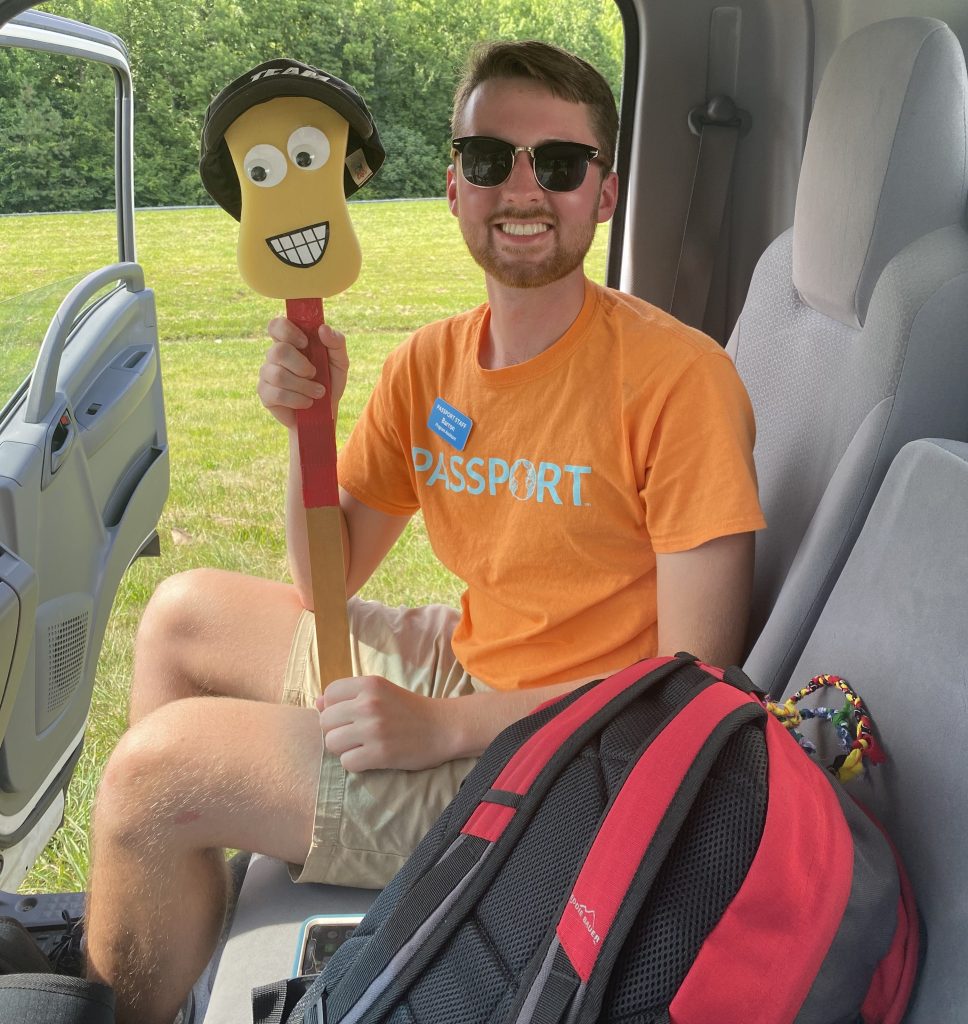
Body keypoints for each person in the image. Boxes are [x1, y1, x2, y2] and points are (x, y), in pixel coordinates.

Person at [84, 40, 765, 1024]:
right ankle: (180, 940)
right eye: (489, 159)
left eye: (559, 163)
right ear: (454, 187)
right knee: (182, 616)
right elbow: (325, 580)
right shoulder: (428, 365)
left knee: (152, 776)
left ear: (603, 194)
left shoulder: (679, 381)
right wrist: (308, 428)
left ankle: (154, 918)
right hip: (475, 666)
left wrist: (445, 727)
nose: (522, 190)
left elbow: (690, 684)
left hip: (572, 762)